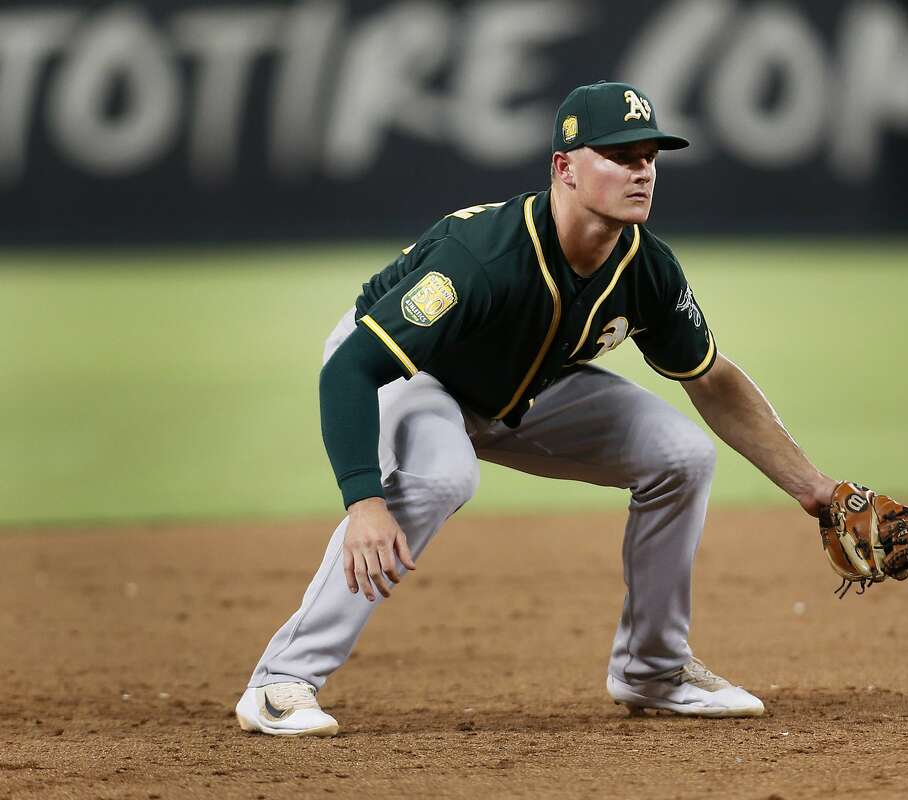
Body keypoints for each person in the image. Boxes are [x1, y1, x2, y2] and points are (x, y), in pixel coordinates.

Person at [235, 81, 839, 736]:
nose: (640, 171)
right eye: (618, 155)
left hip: (521, 386)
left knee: (681, 456)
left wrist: (818, 492)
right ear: (565, 168)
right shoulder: (483, 258)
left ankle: (653, 670)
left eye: (649, 157)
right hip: (413, 374)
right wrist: (363, 500)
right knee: (441, 475)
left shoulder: (646, 269)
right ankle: (281, 683)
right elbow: (352, 368)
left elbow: (713, 380)